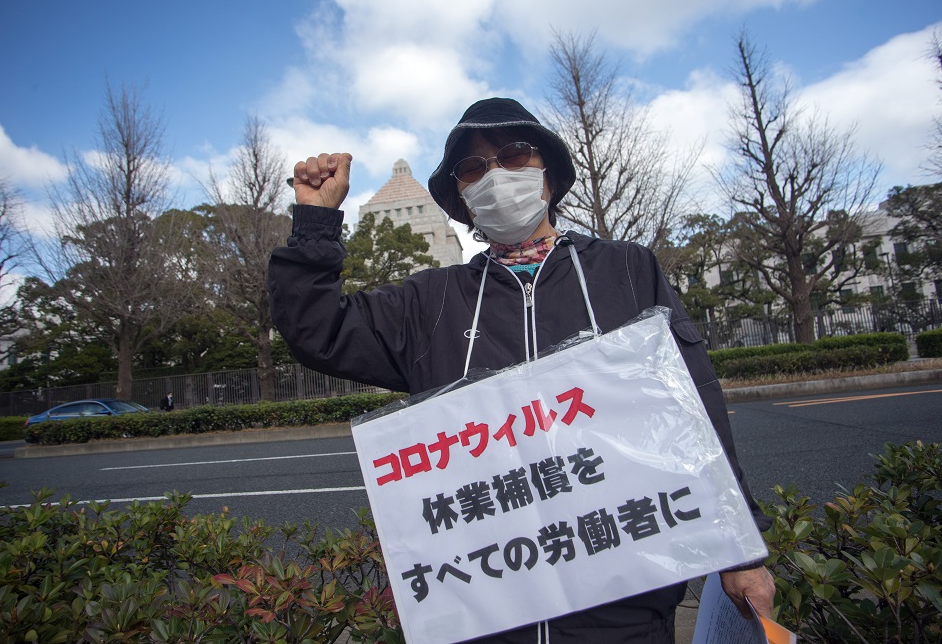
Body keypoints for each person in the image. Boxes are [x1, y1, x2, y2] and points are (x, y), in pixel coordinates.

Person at [267, 97, 775, 642]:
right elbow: (318, 332)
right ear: (462, 199)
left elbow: (694, 403)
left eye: (513, 155)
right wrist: (316, 223)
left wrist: (741, 548)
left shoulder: (627, 271)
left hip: (626, 606)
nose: (494, 174)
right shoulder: (430, 302)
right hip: (484, 613)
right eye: (473, 167)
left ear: (548, 177)